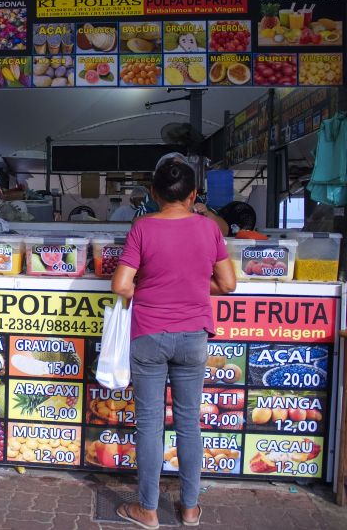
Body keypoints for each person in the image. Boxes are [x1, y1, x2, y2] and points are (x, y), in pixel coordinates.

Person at [111, 156, 236, 529]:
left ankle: (147, 511)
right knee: (188, 422)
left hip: (148, 335)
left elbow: (121, 285)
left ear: (153, 192)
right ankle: (190, 509)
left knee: (150, 423)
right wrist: (193, 285)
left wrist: (151, 286)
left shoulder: (142, 227)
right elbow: (228, 284)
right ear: (194, 194)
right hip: (194, 336)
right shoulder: (209, 230)